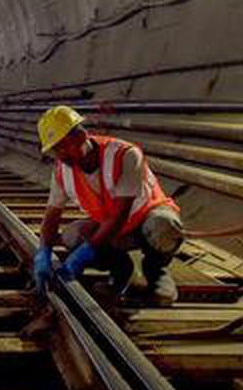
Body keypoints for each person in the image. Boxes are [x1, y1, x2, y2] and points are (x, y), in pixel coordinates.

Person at [32, 106, 184, 305]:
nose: (61, 154)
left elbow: (120, 215)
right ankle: (121, 270)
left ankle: (156, 273)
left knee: (164, 226)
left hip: (145, 220)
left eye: (63, 145)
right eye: (55, 149)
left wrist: (86, 252)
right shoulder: (63, 170)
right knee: (71, 236)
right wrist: (43, 251)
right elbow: (52, 216)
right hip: (112, 229)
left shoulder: (125, 155)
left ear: (81, 136)